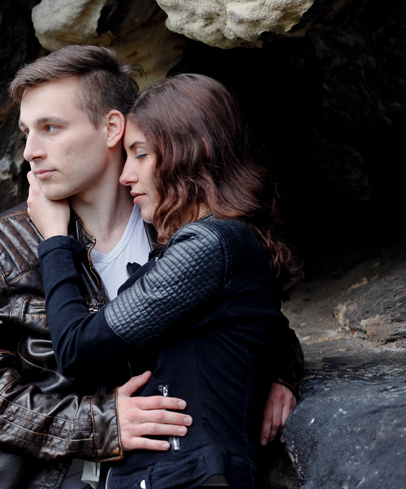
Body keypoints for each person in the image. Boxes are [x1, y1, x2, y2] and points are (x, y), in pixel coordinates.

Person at [0, 48, 300, 489]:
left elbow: (250, 315)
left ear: (112, 127)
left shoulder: (172, 229)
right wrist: (99, 424)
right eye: (26, 132)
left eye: (50, 128)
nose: (30, 152)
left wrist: (279, 374)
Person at [29, 73, 302, 489]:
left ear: (193, 153)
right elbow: (271, 330)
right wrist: (282, 372)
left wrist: (53, 240)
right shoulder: (208, 245)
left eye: (140, 154)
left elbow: (77, 349)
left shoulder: (210, 243)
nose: (125, 175)